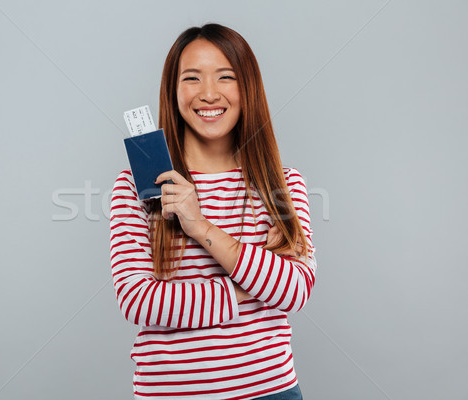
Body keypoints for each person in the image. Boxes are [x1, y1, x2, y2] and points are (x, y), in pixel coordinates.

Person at [109, 23, 317, 400]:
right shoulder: (135, 186)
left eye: (226, 77)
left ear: (247, 88)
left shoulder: (282, 186)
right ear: (172, 91)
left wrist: (199, 224)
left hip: (271, 391)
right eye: (192, 78)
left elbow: (295, 290)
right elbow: (139, 301)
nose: (208, 94)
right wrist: (253, 282)